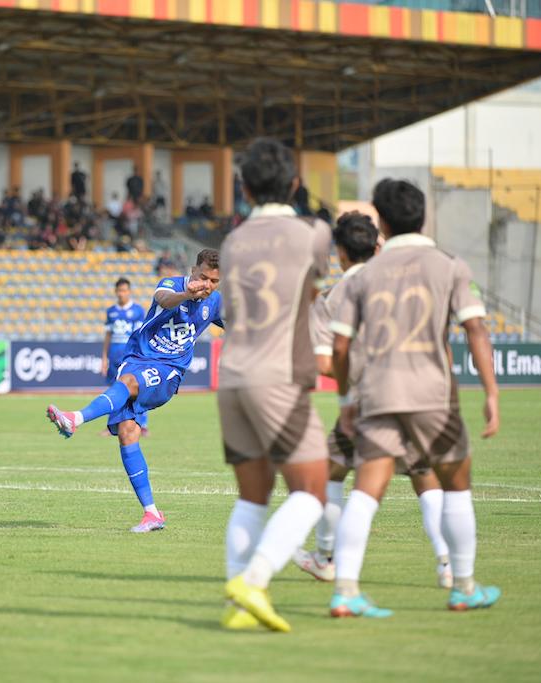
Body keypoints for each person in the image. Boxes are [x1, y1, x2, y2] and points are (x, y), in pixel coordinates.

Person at [327, 179, 501, 618]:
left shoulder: (363, 275)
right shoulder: (449, 265)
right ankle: (462, 585)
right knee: (455, 485)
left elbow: (342, 349)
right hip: (432, 395)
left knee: (366, 493)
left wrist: (347, 399)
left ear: (382, 221)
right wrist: (491, 393)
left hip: (377, 394)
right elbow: (476, 329)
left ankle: (346, 589)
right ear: (423, 216)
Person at [292, 211, 452, 589]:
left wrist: (355, 377)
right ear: (377, 244)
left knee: (333, 470)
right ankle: (448, 565)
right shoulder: (408, 285)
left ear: (340, 252)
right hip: (419, 394)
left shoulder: (331, 298)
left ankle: (326, 557)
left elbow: (322, 363)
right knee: (424, 475)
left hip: (369, 402)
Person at [215, 138, 332, 633]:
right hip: (278, 376)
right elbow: (313, 292)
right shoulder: (313, 233)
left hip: (233, 376)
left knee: (252, 497)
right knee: (313, 490)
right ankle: (255, 580)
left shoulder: (233, 241)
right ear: (295, 183)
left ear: (243, 187)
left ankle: (241, 607)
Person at [46, 249, 224, 533]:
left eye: (214, 281)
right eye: (203, 277)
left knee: (128, 384)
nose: (207, 285)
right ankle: (151, 513)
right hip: (136, 358)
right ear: (193, 270)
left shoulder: (215, 303)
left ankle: (75, 419)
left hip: (168, 371)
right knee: (128, 432)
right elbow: (163, 301)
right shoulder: (172, 285)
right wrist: (188, 293)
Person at [100, 278, 146, 436]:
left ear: (129, 291)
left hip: (130, 355)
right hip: (114, 355)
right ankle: (112, 426)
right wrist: (104, 357)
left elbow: (140, 335)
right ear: (115, 292)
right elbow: (108, 335)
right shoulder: (111, 312)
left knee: (135, 390)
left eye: (124, 290)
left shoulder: (138, 311)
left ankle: (142, 424)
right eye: (119, 291)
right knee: (114, 390)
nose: (122, 294)